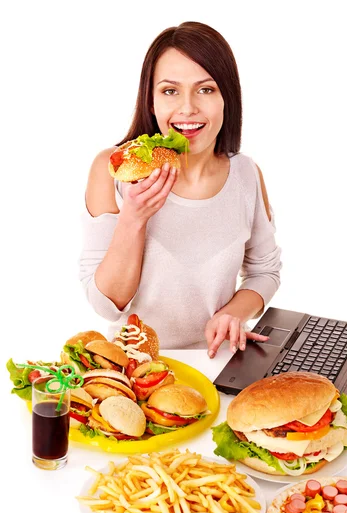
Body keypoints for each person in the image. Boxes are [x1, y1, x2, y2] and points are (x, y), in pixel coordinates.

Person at [80, 22, 282, 358]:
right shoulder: (113, 169)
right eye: (170, 91)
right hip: (136, 368)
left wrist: (234, 312)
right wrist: (134, 218)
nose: (187, 108)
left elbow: (264, 272)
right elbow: (106, 306)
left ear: (226, 99)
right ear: (151, 101)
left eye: (205, 90)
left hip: (221, 362)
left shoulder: (247, 175)